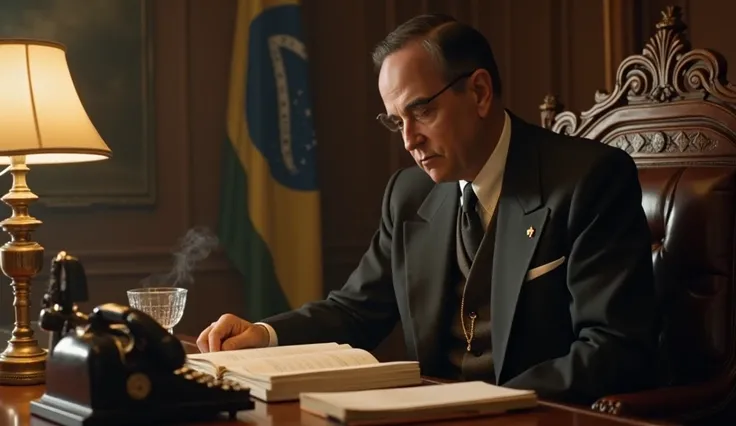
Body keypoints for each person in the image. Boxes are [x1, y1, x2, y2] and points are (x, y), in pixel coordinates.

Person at [198, 13, 660, 405]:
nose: (408, 140)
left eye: (421, 112)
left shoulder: (590, 180)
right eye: (396, 121)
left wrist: (483, 406)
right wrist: (264, 334)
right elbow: (355, 310)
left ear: (479, 92)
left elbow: (612, 348)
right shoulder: (409, 193)